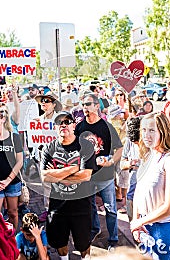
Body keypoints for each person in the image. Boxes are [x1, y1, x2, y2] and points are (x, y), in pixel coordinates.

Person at [41, 111, 97, 260]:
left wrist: (57, 174)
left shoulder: (85, 146)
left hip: (81, 205)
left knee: (84, 244)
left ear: (74, 125)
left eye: (67, 122)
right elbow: (44, 176)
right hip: (57, 206)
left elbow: (85, 176)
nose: (63, 125)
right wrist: (74, 168)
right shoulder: (49, 148)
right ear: (55, 127)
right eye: (60, 122)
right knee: (59, 242)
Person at [130, 112, 170, 260]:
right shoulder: (148, 155)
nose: (146, 135)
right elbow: (138, 192)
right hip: (145, 225)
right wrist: (137, 223)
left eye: (152, 130)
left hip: (165, 229)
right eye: (144, 130)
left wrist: (138, 222)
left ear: (163, 131)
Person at [74, 93, 123, 251]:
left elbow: (119, 148)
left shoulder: (106, 127)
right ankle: (95, 230)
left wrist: (111, 161)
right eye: (83, 104)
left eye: (88, 104)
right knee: (90, 207)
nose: (85, 107)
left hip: (105, 176)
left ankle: (113, 239)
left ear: (97, 106)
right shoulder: (80, 127)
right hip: (87, 175)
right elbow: (75, 149)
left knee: (110, 209)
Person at [119, 117, 141, 219]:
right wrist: (130, 163)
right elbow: (122, 164)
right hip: (134, 178)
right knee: (130, 197)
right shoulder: (129, 140)